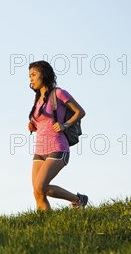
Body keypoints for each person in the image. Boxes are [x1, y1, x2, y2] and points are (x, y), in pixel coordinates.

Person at [27, 60, 88, 211]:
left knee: (41, 186)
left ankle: (78, 200)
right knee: (38, 191)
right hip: (39, 150)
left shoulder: (58, 93)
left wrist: (65, 125)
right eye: (29, 76)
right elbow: (43, 122)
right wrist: (33, 125)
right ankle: (45, 226)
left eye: (34, 74)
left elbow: (80, 111)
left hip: (58, 147)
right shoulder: (37, 100)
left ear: (45, 75)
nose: (31, 79)